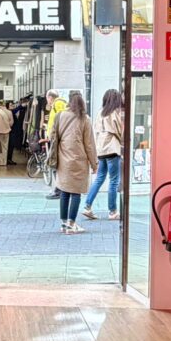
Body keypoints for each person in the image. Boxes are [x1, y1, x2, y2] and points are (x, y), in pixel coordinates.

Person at [52, 91, 97, 235]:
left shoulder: (60, 116)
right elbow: (89, 144)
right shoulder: (85, 118)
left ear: (69, 101)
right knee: (76, 192)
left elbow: (54, 136)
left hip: (63, 158)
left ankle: (64, 224)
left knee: (64, 190)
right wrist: (94, 163)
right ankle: (72, 224)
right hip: (79, 161)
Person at [82, 89, 124, 221]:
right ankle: (112, 211)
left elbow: (95, 130)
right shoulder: (114, 113)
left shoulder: (100, 112)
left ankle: (87, 206)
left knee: (99, 178)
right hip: (112, 149)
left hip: (101, 149)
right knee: (114, 181)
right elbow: (119, 131)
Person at [44, 89, 67, 200]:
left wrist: (54, 135)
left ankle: (59, 190)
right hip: (55, 139)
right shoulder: (56, 105)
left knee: (55, 164)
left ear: (50, 97)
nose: (47, 101)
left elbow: (61, 121)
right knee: (55, 164)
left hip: (56, 140)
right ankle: (59, 189)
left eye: (47, 98)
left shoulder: (58, 104)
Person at [0, 99, 13, 168]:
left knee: (0, 147)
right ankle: (4, 162)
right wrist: (7, 126)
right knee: (5, 147)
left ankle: (0, 162)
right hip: (7, 131)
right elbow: (11, 123)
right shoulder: (9, 112)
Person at [8, 98, 27, 165]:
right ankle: (9, 160)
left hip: (13, 131)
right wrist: (21, 106)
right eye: (11, 105)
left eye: (13, 105)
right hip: (12, 132)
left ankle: (9, 159)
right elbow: (15, 110)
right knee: (11, 146)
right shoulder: (10, 112)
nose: (12, 106)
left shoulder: (11, 112)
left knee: (11, 146)